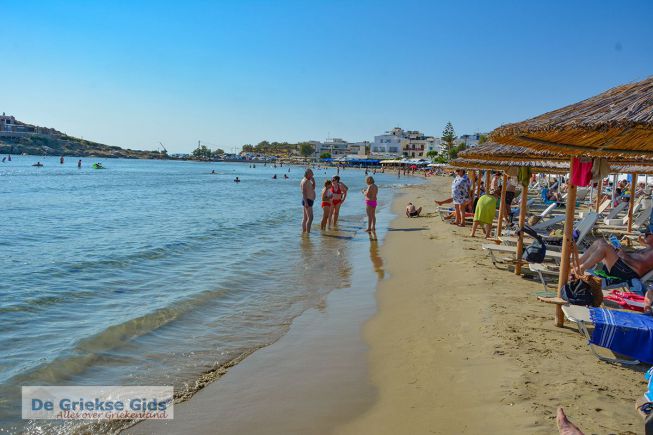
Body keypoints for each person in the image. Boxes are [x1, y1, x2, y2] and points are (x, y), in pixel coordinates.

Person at [573, 232, 653, 282]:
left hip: (627, 274)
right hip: (623, 267)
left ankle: (581, 269)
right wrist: (619, 251)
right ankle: (578, 263)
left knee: (605, 247)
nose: (645, 234)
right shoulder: (649, 248)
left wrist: (623, 255)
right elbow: (634, 257)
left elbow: (640, 267)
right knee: (600, 241)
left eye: (649, 233)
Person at [300, 169, 316, 233]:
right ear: (308, 174)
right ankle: (307, 233)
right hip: (307, 200)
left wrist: (314, 182)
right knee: (311, 218)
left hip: (308, 200)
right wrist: (306, 202)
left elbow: (313, 188)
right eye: (312, 173)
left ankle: (304, 232)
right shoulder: (305, 181)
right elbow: (303, 192)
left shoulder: (308, 180)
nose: (313, 175)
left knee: (305, 218)